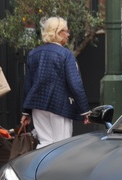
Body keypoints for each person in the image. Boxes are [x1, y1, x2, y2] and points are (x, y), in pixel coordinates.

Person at [20, 17, 90, 148]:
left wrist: (25, 112)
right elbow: (75, 84)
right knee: (62, 146)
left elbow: (27, 85)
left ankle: (42, 168)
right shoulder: (66, 54)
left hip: (37, 106)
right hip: (60, 105)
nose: (68, 34)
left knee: (44, 143)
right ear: (57, 32)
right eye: (66, 31)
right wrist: (85, 110)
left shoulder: (33, 54)